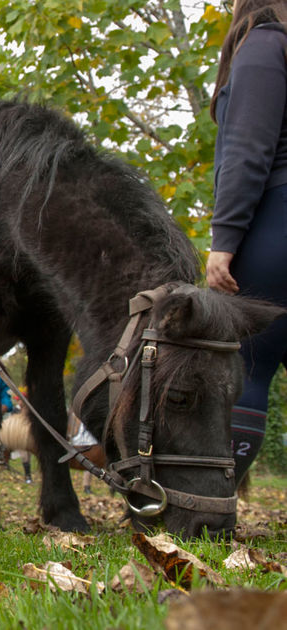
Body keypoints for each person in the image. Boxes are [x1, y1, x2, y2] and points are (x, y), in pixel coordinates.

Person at [206, 0, 287, 482]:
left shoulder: (263, 45)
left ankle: (211, 502)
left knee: (249, 367)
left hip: (274, 225)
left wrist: (225, 238)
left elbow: (247, 151)